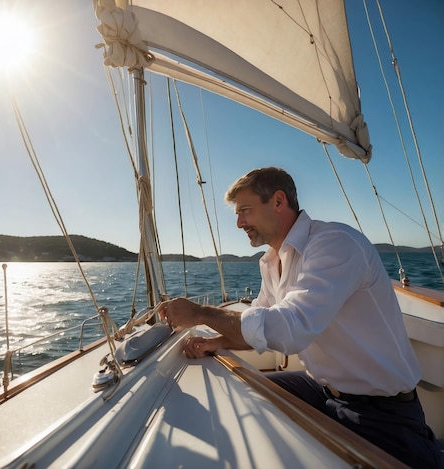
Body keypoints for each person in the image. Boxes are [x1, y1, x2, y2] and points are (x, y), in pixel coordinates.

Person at [157, 167, 443, 468]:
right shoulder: (270, 262)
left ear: (279, 201)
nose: (239, 222)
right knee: (243, 396)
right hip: (322, 390)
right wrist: (216, 342)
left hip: (380, 412)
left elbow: (288, 328)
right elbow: (261, 326)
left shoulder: (334, 244)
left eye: (245, 210)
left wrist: (200, 312)